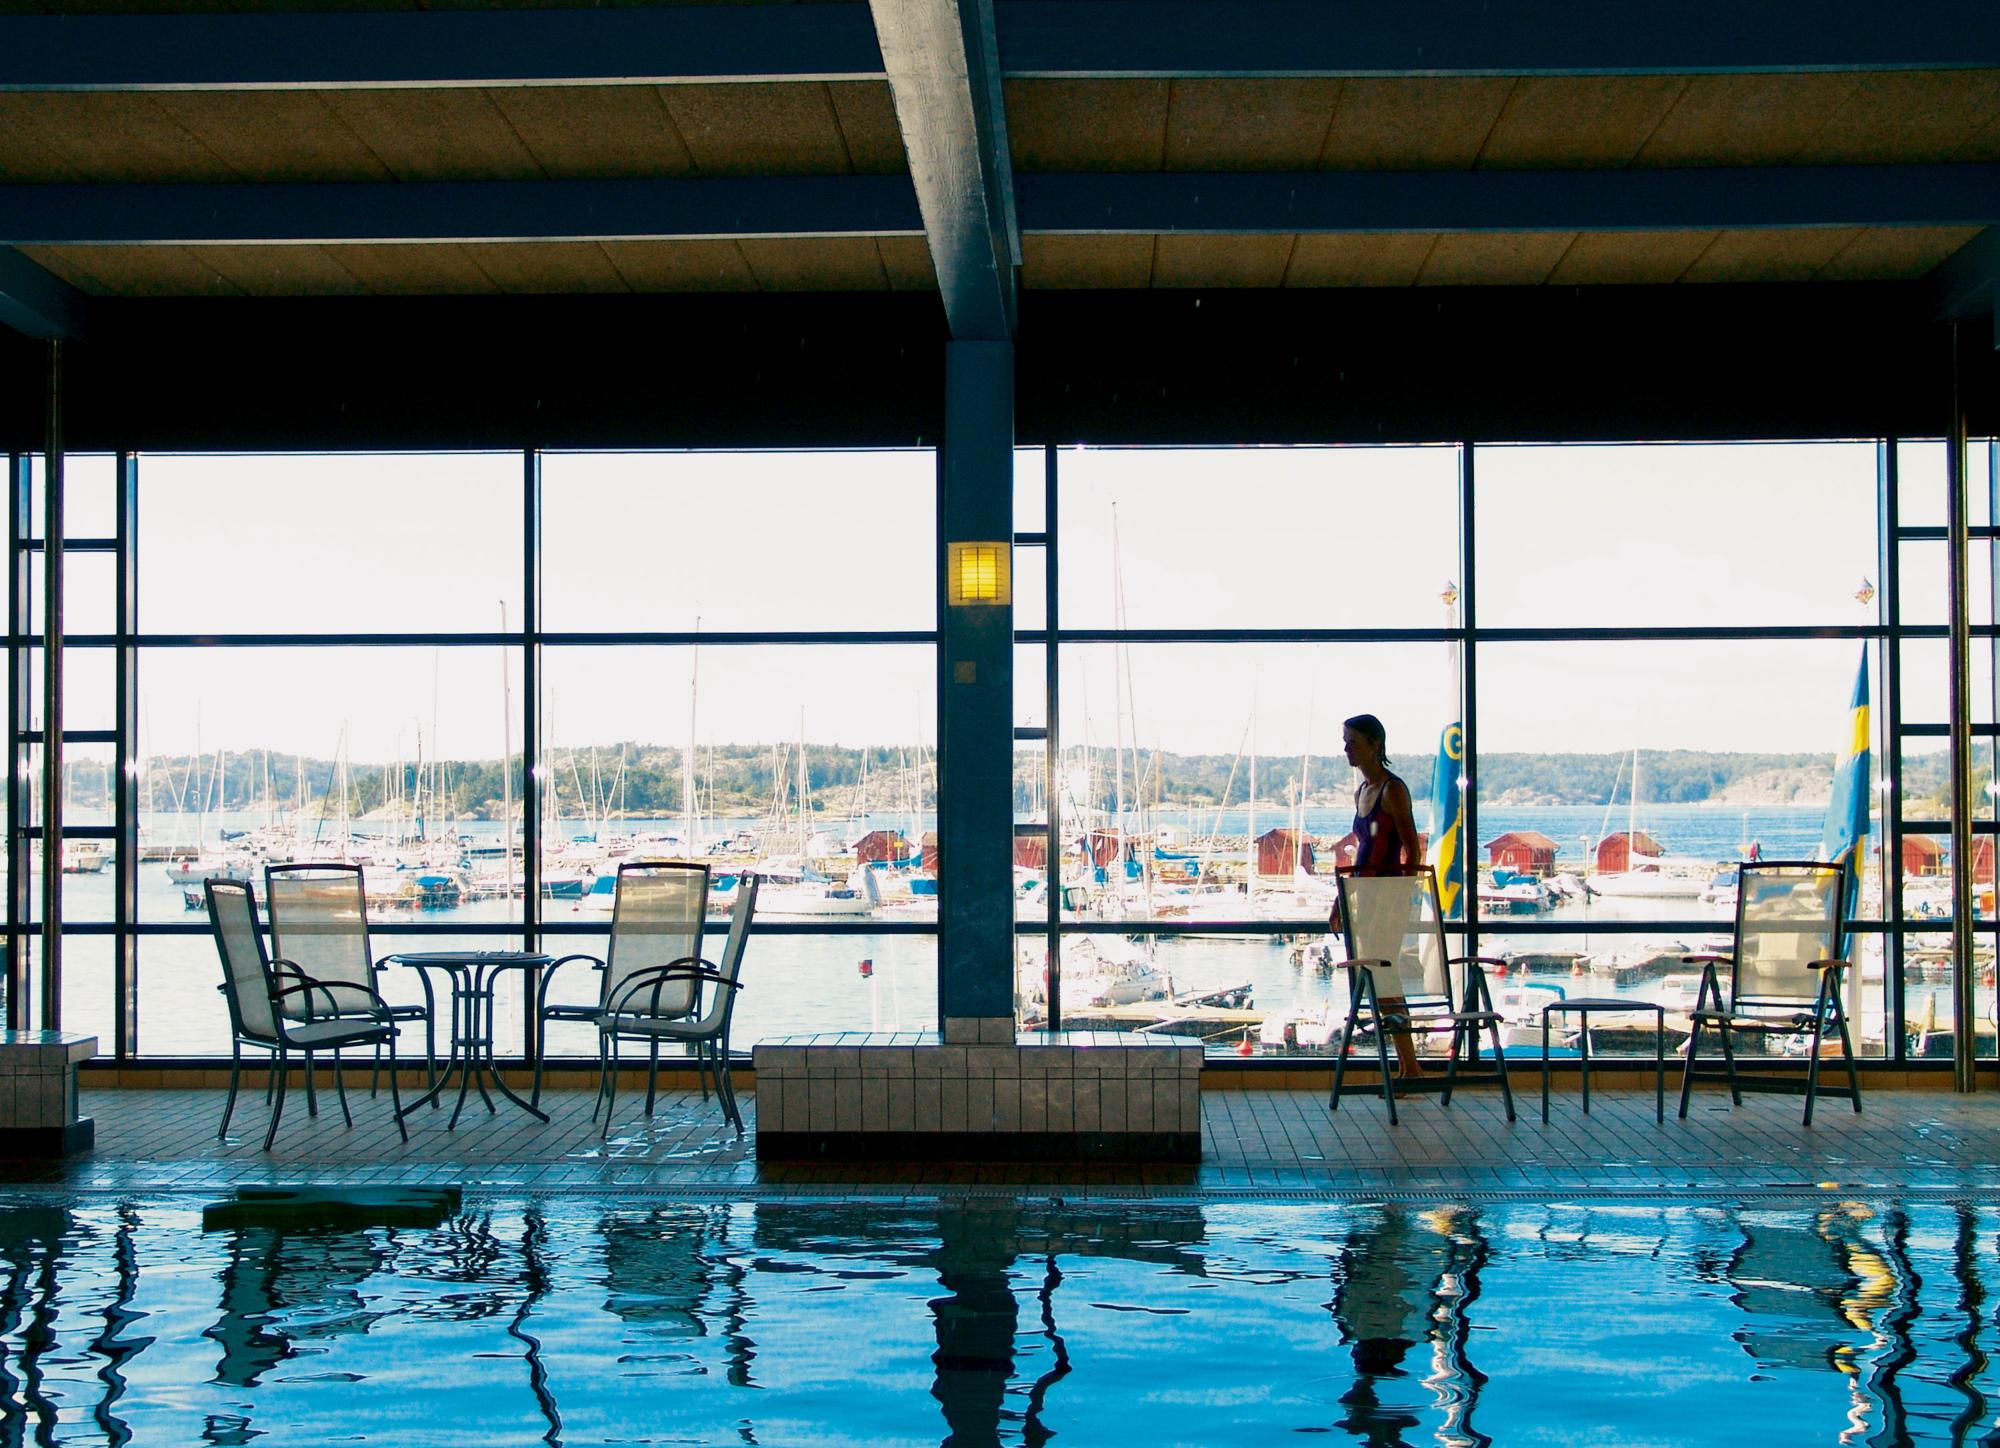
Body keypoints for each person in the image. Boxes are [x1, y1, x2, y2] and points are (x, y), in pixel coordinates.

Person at [1339, 713, 1427, 1077]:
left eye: (1353, 742)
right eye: (1345, 742)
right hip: (1365, 897)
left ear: (1375, 744)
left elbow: (1412, 849)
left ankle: (1410, 1065)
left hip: (1386, 898)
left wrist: (1399, 896)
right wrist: (1340, 902)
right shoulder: (1361, 792)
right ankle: (1408, 1064)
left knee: (1383, 976)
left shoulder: (1393, 790)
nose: (1347, 749)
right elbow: (1362, 854)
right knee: (1379, 978)